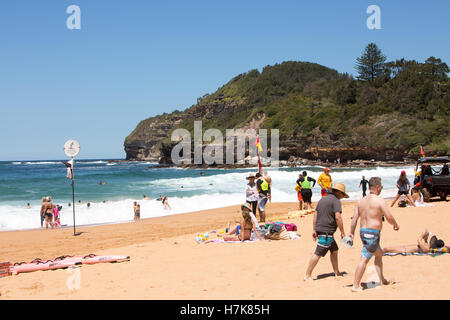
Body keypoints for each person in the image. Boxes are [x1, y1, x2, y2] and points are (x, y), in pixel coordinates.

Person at [349, 177, 400, 292]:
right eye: (381, 187)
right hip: (372, 234)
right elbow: (389, 217)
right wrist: (395, 224)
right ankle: (355, 285)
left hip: (363, 232)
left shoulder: (361, 201)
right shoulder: (379, 200)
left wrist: (351, 233)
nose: (381, 188)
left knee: (378, 254)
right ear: (377, 187)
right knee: (364, 259)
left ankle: (381, 279)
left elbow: (354, 219)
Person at [304, 182, 349, 281]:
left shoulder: (322, 199)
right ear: (339, 193)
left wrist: (314, 229)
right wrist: (342, 232)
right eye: (342, 194)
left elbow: (315, 215)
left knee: (334, 250)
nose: (342, 197)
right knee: (318, 253)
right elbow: (338, 217)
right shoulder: (336, 201)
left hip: (323, 231)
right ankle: (307, 275)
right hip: (327, 233)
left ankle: (336, 272)